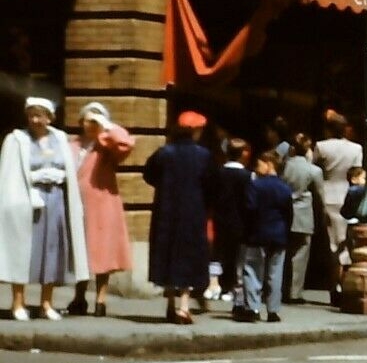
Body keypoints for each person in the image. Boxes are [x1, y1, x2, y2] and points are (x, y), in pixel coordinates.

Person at [1, 97, 90, 321]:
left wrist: (60, 177)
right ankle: (18, 302)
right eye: (31, 115)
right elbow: (10, 174)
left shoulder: (59, 138)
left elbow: (69, 169)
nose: (35, 120)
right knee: (22, 252)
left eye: (40, 115)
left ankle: (46, 303)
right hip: (28, 200)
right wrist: (32, 181)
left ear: (50, 117)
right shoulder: (17, 139)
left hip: (56, 200)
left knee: (52, 252)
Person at [144, 111, 216, 324]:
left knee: (167, 255)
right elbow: (213, 184)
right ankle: (184, 307)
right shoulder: (204, 156)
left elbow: (148, 174)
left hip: (165, 211)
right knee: (188, 257)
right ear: (195, 131)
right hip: (193, 213)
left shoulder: (164, 153)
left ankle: (170, 305)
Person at [66, 102, 136, 318]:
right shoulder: (71, 144)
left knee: (102, 253)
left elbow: (126, 143)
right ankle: (79, 297)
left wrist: (106, 126)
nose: (90, 124)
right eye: (88, 119)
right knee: (80, 252)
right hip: (77, 203)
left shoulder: (106, 144)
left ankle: (100, 300)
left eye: (95, 120)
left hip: (103, 205)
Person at [238, 150, 294, 323]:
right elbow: (289, 213)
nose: (256, 167)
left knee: (253, 271)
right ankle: (273, 310)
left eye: (259, 163)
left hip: (257, 234)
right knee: (275, 274)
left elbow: (249, 209)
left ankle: (253, 308)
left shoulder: (255, 186)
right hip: (278, 234)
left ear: (269, 164)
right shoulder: (285, 188)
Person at [314, 111, 362, 298]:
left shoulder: (322, 146)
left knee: (333, 243)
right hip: (347, 194)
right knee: (345, 240)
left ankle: (337, 284)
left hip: (327, 194)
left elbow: (314, 168)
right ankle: (342, 282)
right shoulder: (356, 149)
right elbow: (356, 172)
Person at [280, 132, 324, 305]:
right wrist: (322, 216)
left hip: (284, 213)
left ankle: (281, 289)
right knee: (300, 255)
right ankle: (294, 292)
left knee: (283, 253)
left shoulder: (284, 166)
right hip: (304, 215)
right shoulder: (313, 170)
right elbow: (321, 196)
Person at [212, 137, 253, 312]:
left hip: (220, 218)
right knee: (236, 256)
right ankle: (230, 287)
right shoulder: (247, 176)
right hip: (240, 221)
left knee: (219, 251)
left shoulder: (218, 173)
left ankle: (215, 285)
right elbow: (249, 201)